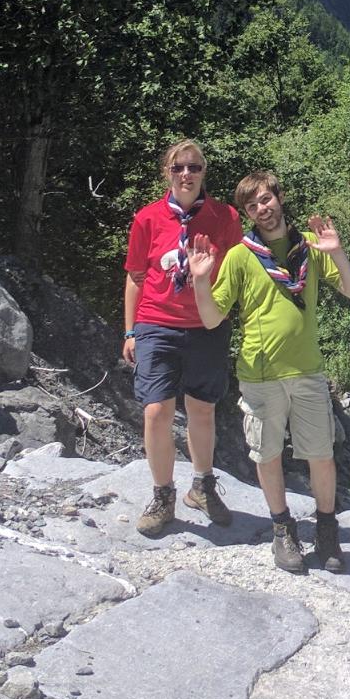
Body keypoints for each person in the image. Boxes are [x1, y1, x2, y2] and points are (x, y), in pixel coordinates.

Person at [186, 172, 350, 575]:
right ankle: (283, 529)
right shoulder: (240, 256)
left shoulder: (310, 247)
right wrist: (200, 280)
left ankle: (327, 530)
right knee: (267, 455)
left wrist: (336, 253)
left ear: (279, 198)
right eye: (252, 206)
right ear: (247, 213)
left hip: (308, 370)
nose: (262, 209)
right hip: (260, 374)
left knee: (321, 454)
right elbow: (211, 319)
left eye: (266, 199)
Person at [121, 139, 243, 538]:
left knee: (202, 408)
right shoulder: (148, 218)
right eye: (178, 167)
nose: (186, 174)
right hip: (156, 321)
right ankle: (162, 494)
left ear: (204, 172)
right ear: (167, 173)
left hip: (207, 324)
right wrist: (130, 330)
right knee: (156, 410)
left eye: (194, 167)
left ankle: (202, 486)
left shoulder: (225, 217)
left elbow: (237, 272)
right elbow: (135, 276)